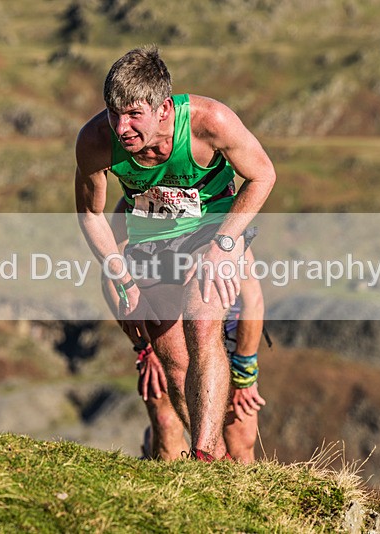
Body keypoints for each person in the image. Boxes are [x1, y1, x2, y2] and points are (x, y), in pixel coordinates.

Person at [76, 45, 276, 460]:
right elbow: (92, 217)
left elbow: (263, 174)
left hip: (213, 230)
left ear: (164, 108)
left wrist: (225, 245)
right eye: (113, 113)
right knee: (173, 360)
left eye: (133, 114)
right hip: (152, 237)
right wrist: (123, 279)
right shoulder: (96, 141)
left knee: (202, 323)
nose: (121, 126)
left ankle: (202, 454)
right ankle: (215, 460)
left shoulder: (210, 121)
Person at [102, 199, 267, 463]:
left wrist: (245, 374)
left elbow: (253, 301)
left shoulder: (217, 205)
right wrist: (145, 349)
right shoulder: (129, 206)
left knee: (241, 437)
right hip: (164, 325)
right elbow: (112, 279)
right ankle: (173, 496)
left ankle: (238, 498)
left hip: (227, 330)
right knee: (166, 421)